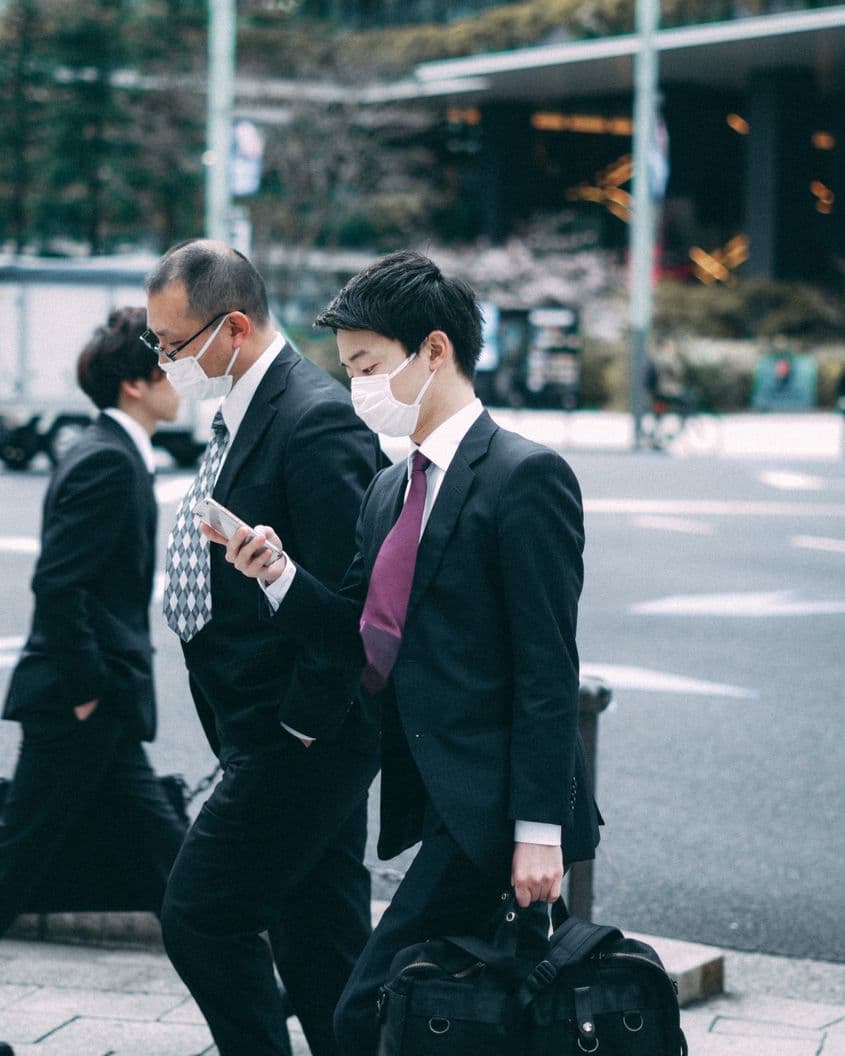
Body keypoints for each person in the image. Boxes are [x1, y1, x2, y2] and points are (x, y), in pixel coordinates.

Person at [213, 250, 603, 1055]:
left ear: (433, 350)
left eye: (367, 364)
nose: (356, 385)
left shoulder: (524, 476)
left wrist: (540, 828)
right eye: (348, 366)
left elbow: (545, 667)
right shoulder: (390, 488)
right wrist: (279, 574)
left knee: (367, 1009)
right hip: (436, 795)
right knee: (435, 1008)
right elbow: (360, 635)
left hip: (494, 805)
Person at [144, 239, 383, 1056]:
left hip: (296, 739)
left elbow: (356, 611)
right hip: (268, 733)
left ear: (233, 328)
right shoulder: (245, 412)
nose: (166, 361)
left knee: (201, 916)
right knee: (323, 945)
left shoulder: (313, 421)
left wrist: (299, 728)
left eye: (174, 346)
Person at [1, 307, 187, 937]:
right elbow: (59, 584)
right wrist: (86, 691)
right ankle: (268, 1008)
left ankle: (266, 1007)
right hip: (80, 704)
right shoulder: (108, 459)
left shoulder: (111, 452)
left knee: (175, 865)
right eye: (167, 364)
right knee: (18, 861)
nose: (180, 376)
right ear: (134, 383)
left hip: (95, 705)